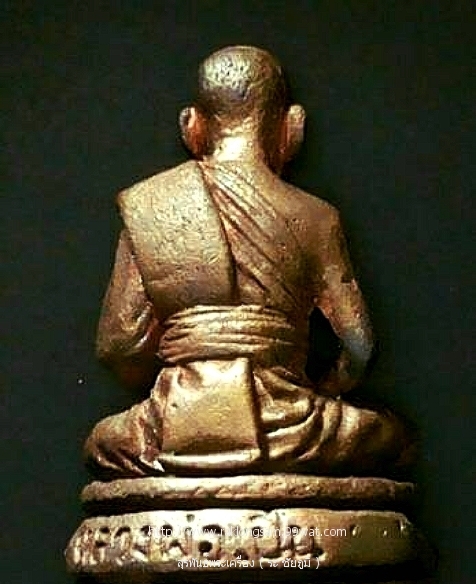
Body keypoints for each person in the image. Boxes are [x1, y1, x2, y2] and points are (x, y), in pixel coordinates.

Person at [84, 46, 414, 480]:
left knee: (104, 442)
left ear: (191, 125)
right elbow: (359, 347)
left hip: (172, 425)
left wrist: (191, 364)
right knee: (386, 437)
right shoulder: (316, 216)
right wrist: (322, 389)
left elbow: (119, 345)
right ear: (292, 126)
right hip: (289, 425)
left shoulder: (154, 205)